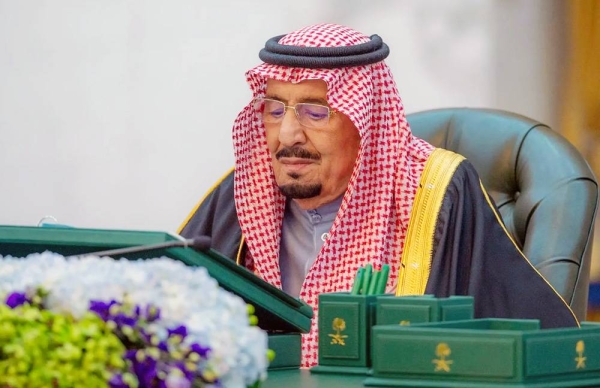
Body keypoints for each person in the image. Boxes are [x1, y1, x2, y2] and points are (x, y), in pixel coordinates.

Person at [178, 23, 578, 368]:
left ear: (365, 117)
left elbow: (494, 350)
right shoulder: (241, 193)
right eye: (274, 110)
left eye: (315, 112)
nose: (287, 136)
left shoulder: (435, 192)